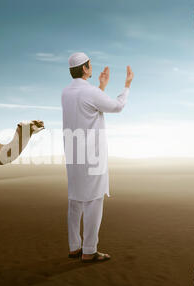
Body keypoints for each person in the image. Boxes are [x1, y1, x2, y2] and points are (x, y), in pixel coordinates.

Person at [61, 52, 134, 262]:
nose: (92, 67)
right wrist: (127, 85)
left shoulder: (66, 92)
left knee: (75, 200)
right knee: (93, 200)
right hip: (92, 156)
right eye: (90, 64)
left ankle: (74, 246)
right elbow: (116, 106)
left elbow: (88, 108)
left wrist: (101, 87)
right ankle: (89, 250)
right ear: (84, 69)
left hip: (73, 153)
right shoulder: (90, 92)